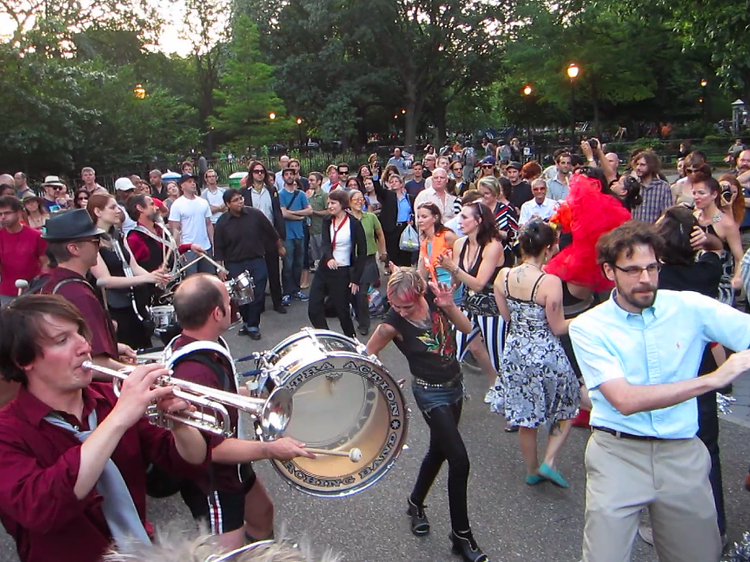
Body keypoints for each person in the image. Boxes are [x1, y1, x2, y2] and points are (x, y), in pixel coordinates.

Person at [569, 221, 750, 562]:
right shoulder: (589, 327)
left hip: (682, 454)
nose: (646, 280)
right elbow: (624, 400)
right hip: (617, 455)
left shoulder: (690, 307)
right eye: (633, 270)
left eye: (652, 267)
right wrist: (712, 379)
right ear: (609, 271)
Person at [0, 294, 209, 562]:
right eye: (62, 340)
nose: (84, 347)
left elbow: (190, 461)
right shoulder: (8, 431)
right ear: (23, 360)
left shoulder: (110, 397)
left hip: (143, 551)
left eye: (79, 333)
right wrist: (120, 417)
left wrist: (179, 424)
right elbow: (40, 507)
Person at [167, 275, 312, 550]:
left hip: (232, 467)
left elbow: (215, 398)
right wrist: (271, 449)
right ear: (217, 312)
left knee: (261, 514)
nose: (233, 303)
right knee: (228, 553)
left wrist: (244, 394)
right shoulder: (194, 371)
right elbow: (213, 450)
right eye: (227, 299)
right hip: (213, 482)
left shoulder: (205, 343)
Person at [365, 269, 489, 562]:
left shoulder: (436, 297)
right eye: (395, 305)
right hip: (429, 394)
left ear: (420, 294)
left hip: (455, 386)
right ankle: (462, 535)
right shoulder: (390, 325)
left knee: (438, 451)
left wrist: (449, 306)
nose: (400, 311)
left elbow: (465, 326)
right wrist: (389, 384)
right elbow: (367, 355)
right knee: (459, 459)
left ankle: (415, 502)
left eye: (406, 306)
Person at [492, 220, 578, 487]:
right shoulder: (549, 282)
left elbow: (506, 315)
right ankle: (549, 460)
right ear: (549, 248)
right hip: (545, 352)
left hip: (516, 351)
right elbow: (559, 326)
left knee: (525, 415)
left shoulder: (503, 275)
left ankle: (531, 469)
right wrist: (586, 319)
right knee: (570, 401)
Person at [437, 202, 505, 402]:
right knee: (462, 347)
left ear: (479, 221)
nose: (460, 221)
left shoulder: (493, 246)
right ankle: (458, 392)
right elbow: (458, 280)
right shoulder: (460, 244)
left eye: (465, 217)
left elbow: (478, 283)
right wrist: (450, 280)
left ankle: (508, 399)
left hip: (492, 309)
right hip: (469, 305)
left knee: (497, 354)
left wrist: (453, 268)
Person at [87, 194, 168, 350]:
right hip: (113, 306)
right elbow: (105, 280)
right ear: (97, 212)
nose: (118, 210)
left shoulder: (118, 235)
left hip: (133, 302)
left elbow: (132, 266)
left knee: (144, 347)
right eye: (113, 207)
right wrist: (147, 278)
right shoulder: (91, 241)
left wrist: (155, 277)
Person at [214, 190, 283, 340]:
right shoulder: (222, 222)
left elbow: (271, 232)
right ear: (227, 204)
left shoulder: (255, 215)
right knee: (241, 297)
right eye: (235, 200)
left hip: (256, 260)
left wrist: (280, 247)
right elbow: (218, 246)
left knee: (257, 294)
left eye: (241, 198)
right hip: (235, 264)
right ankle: (246, 322)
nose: (240, 201)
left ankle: (253, 325)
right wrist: (220, 267)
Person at [307, 190, 366, 338]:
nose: (330, 206)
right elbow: (325, 243)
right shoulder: (327, 220)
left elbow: (362, 252)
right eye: (328, 203)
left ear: (342, 204)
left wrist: (355, 279)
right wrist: (329, 258)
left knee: (342, 312)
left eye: (333, 203)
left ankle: (351, 341)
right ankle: (328, 337)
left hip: (342, 272)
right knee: (313, 309)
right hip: (324, 269)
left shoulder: (354, 224)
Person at [240, 161, 287, 314]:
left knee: (274, 271)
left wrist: (280, 234)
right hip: (252, 237)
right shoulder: (244, 192)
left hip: (270, 234)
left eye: (262, 171)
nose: (259, 174)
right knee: (256, 273)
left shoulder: (272, 190)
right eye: (256, 171)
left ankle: (277, 302)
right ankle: (257, 304)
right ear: (251, 173)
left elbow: (277, 213)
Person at [693, 173, 744, 304]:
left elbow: (740, 258)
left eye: (701, 193)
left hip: (719, 284)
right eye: (694, 193)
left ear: (714, 195)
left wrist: (737, 278)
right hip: (695, 281)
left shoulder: (726, 224)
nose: (696, 197)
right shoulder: (693, 217)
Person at [348, 190, 386, 336]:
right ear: (349, 202)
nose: (359, 201)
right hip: (351, 261)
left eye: (361, 199)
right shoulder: (346, 219)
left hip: (368, 259)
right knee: (352, 294)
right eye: (355, 199)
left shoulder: (370, 217)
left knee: (361, 293)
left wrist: (383, 252)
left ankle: (364, 324)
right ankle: (359, 317)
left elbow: (380, 234)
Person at [0, 196, 48, 306]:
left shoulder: (36, 236)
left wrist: (41, 288)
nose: (3, 217)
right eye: (0, 214)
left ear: (18, 213)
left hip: (34, 291)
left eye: (7, 213)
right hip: (6, 292)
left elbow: (46, 264)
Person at [168, 174, 215, 277]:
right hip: (188, 249)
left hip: (205, 247)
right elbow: (174, 229)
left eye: (193, 181)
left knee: (209, 278)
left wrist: (212, 243)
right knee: (192, 279)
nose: (193, 184)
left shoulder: (203, 202)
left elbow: (208, 224)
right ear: (182, 186)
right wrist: (180, 249)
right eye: (189, 182)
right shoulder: (177, 204)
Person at [278, 168, 312, 305]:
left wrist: (293, 213)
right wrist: (299, 217)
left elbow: (309, 210)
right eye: (286, 174)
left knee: (299, 263)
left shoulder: (301, 194)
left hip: (300, 234)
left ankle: (296, 290)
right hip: (287, 235)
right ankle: (286, 292)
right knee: (288, 264)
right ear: (283, 177)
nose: (289, 176)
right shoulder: (280, 194)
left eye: (291, 174)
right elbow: (283, 214)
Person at [375, 173, 414, 268]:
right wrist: (376, 176)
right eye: (391, 182)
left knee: (406, 256)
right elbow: (378, 190)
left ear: (401, 184)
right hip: (392, 229)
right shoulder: (388, 196)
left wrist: (412, 220)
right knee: (393, 256)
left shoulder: (409, 198)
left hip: (405, 228)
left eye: (396, 181)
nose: (394, 183)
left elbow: (413, 211)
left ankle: (407, 277)